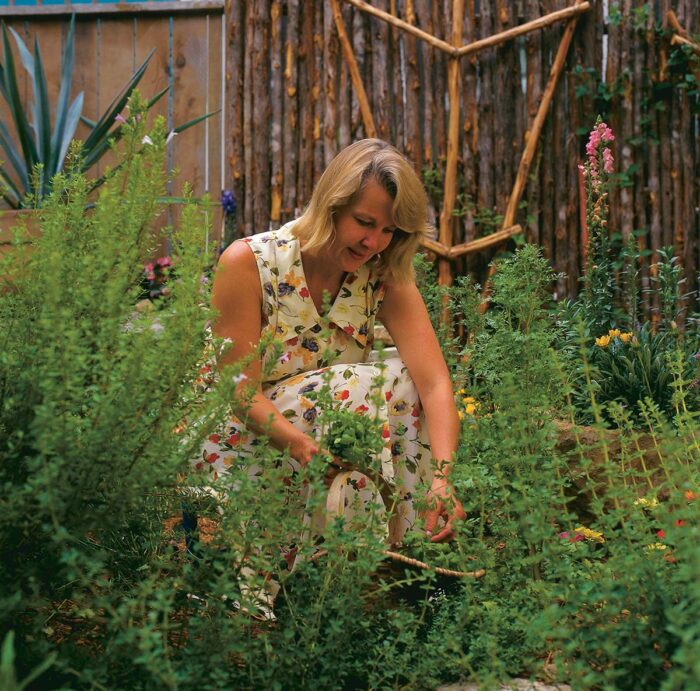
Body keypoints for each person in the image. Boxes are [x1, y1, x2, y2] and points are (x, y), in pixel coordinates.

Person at [197, 138, 465, 546]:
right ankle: (330, 559)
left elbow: (435, 383)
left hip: (331, 431)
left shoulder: (382, 275)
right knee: (356, 388)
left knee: (402, 380)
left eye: (388, 230)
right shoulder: (249, 263)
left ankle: (409, 550)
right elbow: (238, 389)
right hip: (245, 437)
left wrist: (444, 480)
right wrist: (300, 445)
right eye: (364, 221)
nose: (373, 242)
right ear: (331, 205)